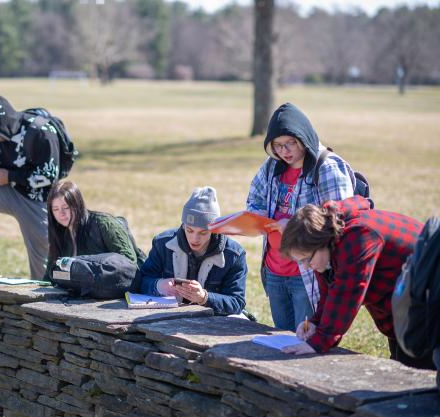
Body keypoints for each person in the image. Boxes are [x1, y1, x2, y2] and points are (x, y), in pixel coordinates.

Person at [279, 196, 435, 369]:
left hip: (428, 301)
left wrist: (319, 341)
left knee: (417, 374)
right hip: (403, 307)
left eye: (307, 259)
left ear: (321, 241)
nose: (307, 266)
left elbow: (346, 294)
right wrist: (316, 323)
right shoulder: (327, 244)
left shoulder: (358, 237)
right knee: (401, 364)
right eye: (301, 261)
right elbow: (329, 293)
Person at [246, 102, 355, 332]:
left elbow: (340, 221)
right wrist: (256, 216)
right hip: (274, 270)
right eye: (277, 145)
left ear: (303, 137)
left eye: (291, 143)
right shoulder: (271, 166)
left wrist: (295, 225)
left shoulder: (326, 167)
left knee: (305, 338)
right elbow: (254, 197)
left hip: (308, 273)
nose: (284, 151)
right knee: (281, 339)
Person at [0, 94, 60, 279]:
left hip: (36, 200)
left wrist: (10, 176)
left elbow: (49, 176)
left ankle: (44, 295)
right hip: (8, 191)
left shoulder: (41, 132)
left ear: (6, 124)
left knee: (42, 262)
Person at [141, 187, 247, 316]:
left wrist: (204, 298)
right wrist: (159, 285)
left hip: (212, 320)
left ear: (214, 229)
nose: (194, 239)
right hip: (165, 315)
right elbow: (141, 281)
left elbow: (237, 302)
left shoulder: (234, 254)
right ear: (183, 225)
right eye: (189, 230)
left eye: (203, 232)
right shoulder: (162, 244)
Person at [44, 180, 138, 281]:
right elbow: (52, 274)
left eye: (66, 207)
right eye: (55, 209)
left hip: (120, 289)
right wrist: (71, 277)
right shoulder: (59, 233)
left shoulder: (104, 224)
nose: (61, 213)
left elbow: (130, 264)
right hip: (83, 292)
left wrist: (93, 275)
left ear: (77, 205)